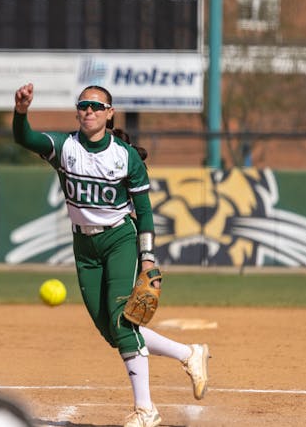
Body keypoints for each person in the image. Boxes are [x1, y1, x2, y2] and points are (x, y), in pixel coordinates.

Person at [12, 83, 210, 427]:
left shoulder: (125, 156)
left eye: (96, 106)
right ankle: (188, 353)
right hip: (84, 247)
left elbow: (144, 212)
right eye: (83, 106)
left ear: (109, 113)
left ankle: (146, 410)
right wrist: (21, 111)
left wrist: (147, 257)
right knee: (112, 330)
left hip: (119, 239)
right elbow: (24, 138)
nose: (88, 111)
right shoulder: (65, 147)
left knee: (122, 321)